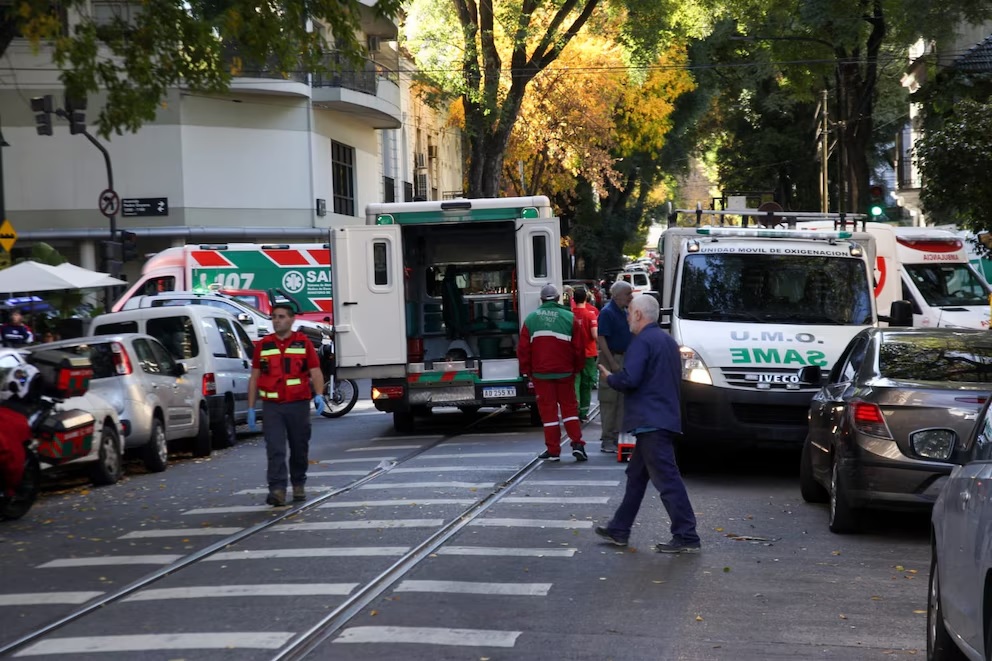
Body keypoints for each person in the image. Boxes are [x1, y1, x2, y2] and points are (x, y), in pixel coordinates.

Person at [595, 294, 700, 554]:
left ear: (639, 315)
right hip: (661, 419)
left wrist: (611, 378)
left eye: (630, 312)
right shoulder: (667, 341)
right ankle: (619, 528)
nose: (628, 317)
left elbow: (630, 379)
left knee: (667, 480)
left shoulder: (642, 342)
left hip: (650, 421)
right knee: (636, 476)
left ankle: (687, 535)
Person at [247, 303, 326, 507]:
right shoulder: (263, 345)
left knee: (299, 448)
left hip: (298, 405)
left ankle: (298, 484)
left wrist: (319, 394)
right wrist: (250, 407)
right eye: (274, 317)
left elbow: (316, 372)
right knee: (275, 449)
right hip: (272, 406)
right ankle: (277, 490)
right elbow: (254, 377)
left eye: (281, 317)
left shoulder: (303, 343)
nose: (277, 320)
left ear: (291, 320)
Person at [517, 284, 588, 462]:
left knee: (548, 413)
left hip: (541, 374)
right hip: (565, 372)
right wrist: (577, 368)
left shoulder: (531, 319)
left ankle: (553, 450)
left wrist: (527, 371)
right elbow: (579, 348)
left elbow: (523, 349)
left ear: (541, 300)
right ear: (558, 298)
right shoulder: (570, 317)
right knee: (570, 408)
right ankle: (577, 444)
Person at [597, 281, 633, 453]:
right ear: (617, 295)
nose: (631, 297)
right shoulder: (607, 312)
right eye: (628, 293)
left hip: (623, 358)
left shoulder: (623, 311)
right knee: (609, 400)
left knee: (621, 400)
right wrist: (611, 363)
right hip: (611, 357)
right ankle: (607, 439)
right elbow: (602, 338)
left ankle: (617, 434)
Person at [571, 286, 599, 421]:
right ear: (586, 299)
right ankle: (583, 411)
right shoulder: (590, 315)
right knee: (587, 383)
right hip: (588, 354)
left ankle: (574, 409)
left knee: (575, 382)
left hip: (573, 354)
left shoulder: (570, 315)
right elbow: (594, 335)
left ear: (573, 299)